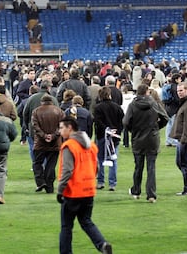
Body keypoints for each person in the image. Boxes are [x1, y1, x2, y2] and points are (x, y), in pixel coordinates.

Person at [57, 116, 112, 254]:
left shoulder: (69, 146)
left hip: (73, 191)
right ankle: (102, 244)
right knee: (86, 221)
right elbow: (96, 167)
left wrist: (60, 190)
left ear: (70, 128)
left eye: (62, 127)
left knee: (66, 226)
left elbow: (67, 170)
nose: (59, 131)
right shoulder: (91, 145)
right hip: (88, 190)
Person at [123, 84, 169, 202]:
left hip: (138, 138)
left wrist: (133, 130)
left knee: (138, 167)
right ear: (147, 92)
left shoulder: (133, 105)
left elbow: (126, 122)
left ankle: (136, 191)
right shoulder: (154, 104)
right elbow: (165, 117)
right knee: (151, 167)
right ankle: (151, 194)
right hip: (152, 139)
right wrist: (156, 127)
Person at [32, 94, 65, 193]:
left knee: (37, 163)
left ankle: (40, 181)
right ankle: (49, 186)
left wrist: (44, 135)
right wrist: (54, 135)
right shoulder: (59, 111)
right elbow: (62, 126)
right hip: (55, 143)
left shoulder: (36, 111)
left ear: (41, 102)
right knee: (51, 165)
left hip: (40, 142)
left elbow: (35, 126)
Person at [94, 86, 124, 191]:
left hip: (102, 135)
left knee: (100, 159)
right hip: (114, 137)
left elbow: (97, 121)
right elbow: (122, 122)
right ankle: (112, 183)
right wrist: (117, 131)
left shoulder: (98, 108)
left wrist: (106, 130)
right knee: (113, 159)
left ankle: (101, 181)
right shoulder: (117, 107)